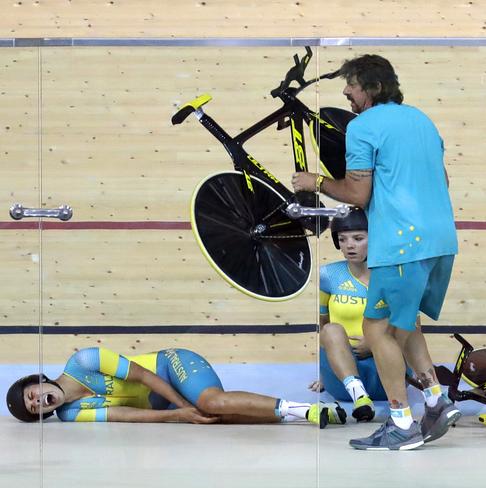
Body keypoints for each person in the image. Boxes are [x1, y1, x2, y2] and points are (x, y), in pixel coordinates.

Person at [292, 54, 461, 450]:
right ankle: (437, 401)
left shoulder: (362, 126)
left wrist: (314, 181)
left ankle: (401, 423)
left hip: (401, 244)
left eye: (351, 85)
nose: (346, 93)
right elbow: (444, 179)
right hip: (441, 240)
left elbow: (357, 193)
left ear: (373, 87)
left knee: (377, 329)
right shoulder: (422, 120)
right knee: (405, 323)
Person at [6, 346, 346, 428]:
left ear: (39, 381)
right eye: (33, 408)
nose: (36, 402)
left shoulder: (84, 361)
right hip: (166, 403)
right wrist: (178, 415)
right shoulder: (68, 414)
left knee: (212, 403)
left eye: (31, 395)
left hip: (170, 367)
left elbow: (143, 376)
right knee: (216, 419)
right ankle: (307, 416)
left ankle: (309, 408)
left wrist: (184, 403)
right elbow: (124, 415)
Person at [313, 207, 383, 422]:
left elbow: (411, 327)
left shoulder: (392, 275)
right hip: (342, 379)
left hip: (383, 370)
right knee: (331, 329)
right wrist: (324, 372)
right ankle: (359, 397)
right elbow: (323, 325)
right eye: (342, 239)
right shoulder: (328, 275)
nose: (349, 245)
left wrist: (374, 342)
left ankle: (361, 393)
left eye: (358, 238)